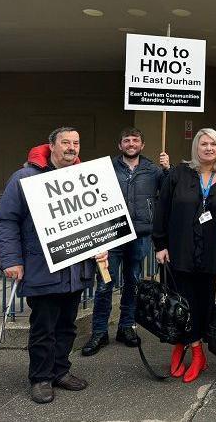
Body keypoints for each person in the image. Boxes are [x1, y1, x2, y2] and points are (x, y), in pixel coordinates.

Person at [0, 127, 108, 404]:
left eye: (76, 143)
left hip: (76, 269)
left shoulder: (85, 178)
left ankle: (60, 371)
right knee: (44, 326)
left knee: (67, 326)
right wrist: (12, 260)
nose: (72, 147)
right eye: (66, 142)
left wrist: (101, 244)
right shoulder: (24, 178)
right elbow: (6, 220)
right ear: (52, 146)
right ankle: (41, 378)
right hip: (40, 267)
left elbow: (97, 219)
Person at [152, 128, 216, 384]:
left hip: (210, 255)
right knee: (179, 303)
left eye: (213, 144)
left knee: (201, 303)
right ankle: (185, 347)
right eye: (203, 144)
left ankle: (196, 352)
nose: (208, 148)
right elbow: (162, 208)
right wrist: (160, 244)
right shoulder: (179, 173)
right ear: (196, 148)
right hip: (179, 252)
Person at [82, 127, 170, 356]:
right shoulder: (106, 169)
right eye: (126, 140)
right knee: (104, 285)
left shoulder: (153, 170)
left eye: (135, 140)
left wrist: (167, 169)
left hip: (140, 235)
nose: (131, 144)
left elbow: (170, 192)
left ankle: (126, 327)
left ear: (142, 145)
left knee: (133, 282)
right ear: (120, 145)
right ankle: (99, 332)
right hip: (110, 236)